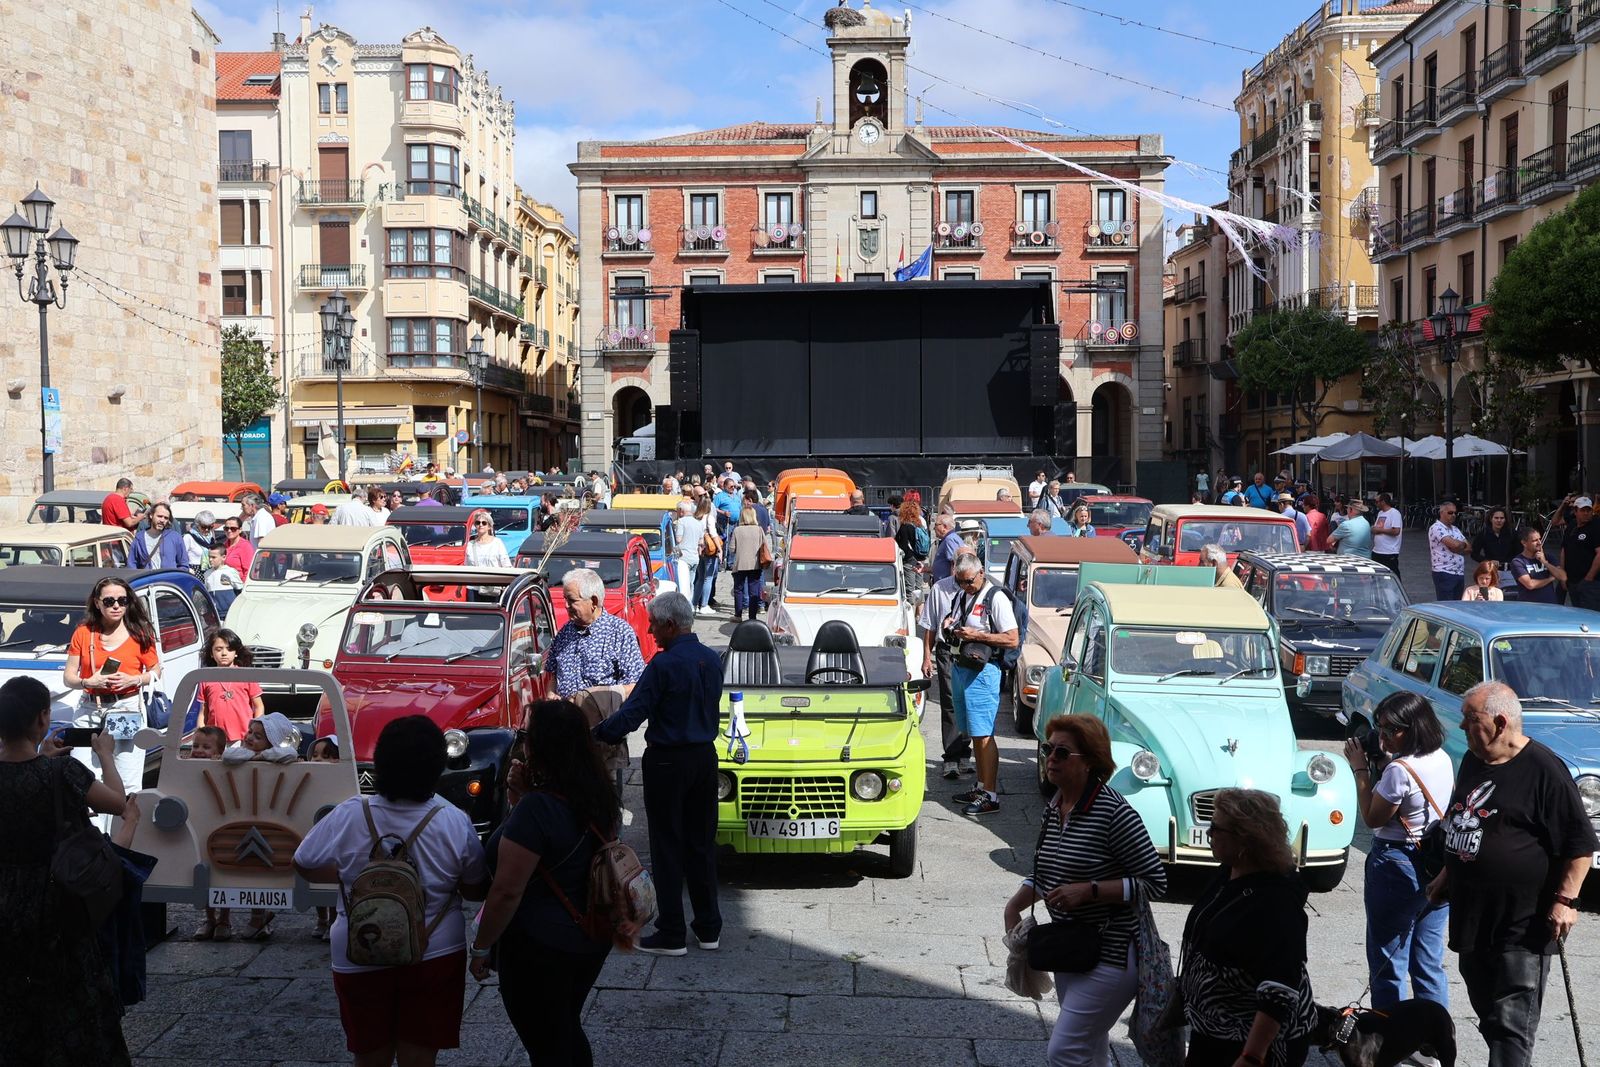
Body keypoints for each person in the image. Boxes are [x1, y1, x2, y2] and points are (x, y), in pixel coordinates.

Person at [293, 716, 490, 1067]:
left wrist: (350, 876)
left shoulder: (351, 813)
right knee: (420, 1057)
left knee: (369, 1056)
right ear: (436, 765)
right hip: (434, 950)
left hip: (358, 947)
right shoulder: (452, 819)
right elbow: (475, 889)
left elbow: (304, 862)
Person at [1427, 682, 1597, 1067]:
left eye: (1470, 720)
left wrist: (1566, 900)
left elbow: (1580, 844)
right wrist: (1447, 874)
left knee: (1510, 1027)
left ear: (1500, 722)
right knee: (1491, 1018)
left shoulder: (1545, 770)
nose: (1461, 728)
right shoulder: (1474, 760)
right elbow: (1464, 822)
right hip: (1473, 919)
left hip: (1522, 926)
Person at [1000, 715, 1165, 1067]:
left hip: (1112, 953)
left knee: (1064, 1051)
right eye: (1048, 750)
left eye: (1062, 752)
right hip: (1070, 949)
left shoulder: (1114, 813)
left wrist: (1089, 891)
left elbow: (1154, 882)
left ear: (1089, 762)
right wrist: (1018, 900)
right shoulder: (1056, 806)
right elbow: (1050, 868)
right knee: (1089, 1050)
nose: (1051, 759)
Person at [470, 700, 624, 1063]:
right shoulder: (598, 794)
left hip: (539, 947)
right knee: (564, 1030)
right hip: (587, 936)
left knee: (548, 1041)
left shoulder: (537, 809)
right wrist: (520, 799)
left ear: (540, 746)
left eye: (525, 736)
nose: (521, 743)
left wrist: (481, 947)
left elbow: (507, 890)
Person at [0, 675, 133, 1065]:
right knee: (70, 994)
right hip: (56, 900)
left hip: (4, 898)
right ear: (43, 719)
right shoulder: (62, 774)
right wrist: (105, 754)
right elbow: (118, 802)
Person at [594, 593, 722, 955]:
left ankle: (671, 931)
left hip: (668, 762)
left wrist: (597, 733)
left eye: (653, 624)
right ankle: (708, 927)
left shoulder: (662, 666)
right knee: (700, 844)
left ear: (669, 625)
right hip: (703, 758)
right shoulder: (712, 660)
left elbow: (631, 715)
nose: (649, 630)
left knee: (667, 846)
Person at [1179, 788, 1319, 1067]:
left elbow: (1280, 987)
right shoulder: (1228, 873)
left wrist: (1252, 1056)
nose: (1208, 834)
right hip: (1214, 1030)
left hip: (1253, 1043)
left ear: (1245, 838)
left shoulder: (1276, 902)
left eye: (1215, 827)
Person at [1342, 692, 1453, 1010]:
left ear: (1414, 727)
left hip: (1396, 864)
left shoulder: (1399, 771)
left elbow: (1373, 818)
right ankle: (1432, 1041)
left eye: (1392, 730)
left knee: (1387, 959)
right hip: (1434, 863)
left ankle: (1386, 1039)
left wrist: (1361, 771)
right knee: (1428, 960)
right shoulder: (1441, 758)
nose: (1383, 736)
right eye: (1380, 728)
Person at [63, 576, 160, 824]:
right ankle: (93, 835)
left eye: (122, 600)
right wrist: (88, 682)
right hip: (89, 708)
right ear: (97, 603)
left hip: (125, 707)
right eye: (109, 601)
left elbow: (156, 671)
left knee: (126, 774)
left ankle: (123, 837)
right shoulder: (84, 633)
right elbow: (68, 677)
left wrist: (134, 680)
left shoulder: (140, 632)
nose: (116, 606)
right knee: (86, 774)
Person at [943, 555, 1018, 817]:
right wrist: (950, 626)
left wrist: (977, 635)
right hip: (962, 667)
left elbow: (1012, 639)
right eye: (960, 582)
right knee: (974, 732)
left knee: (984, 733)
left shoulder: (995, 597)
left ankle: (990, 794)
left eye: (968, 581)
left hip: (983, 672)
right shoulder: (963, 595)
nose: (965, 586)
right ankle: (980, 787)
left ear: (981, 573)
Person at [920, 544, 978, 781]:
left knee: (968, 702)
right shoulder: (940, 589)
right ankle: (952, 758)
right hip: (947, 651)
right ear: (953, 565)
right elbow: (930, 626)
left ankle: (965, 753)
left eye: (969, 560)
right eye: (960, 561)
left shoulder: (983, 590)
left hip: (973, 651)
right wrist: (927, 656)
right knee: (950, 702)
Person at [545, 569, 646, 698]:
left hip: (604, 717)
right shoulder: (564, 633)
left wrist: (597, 701)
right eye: (565, 599)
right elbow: (553, 675)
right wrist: (551, 694)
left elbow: (635, 685)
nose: (566, 605)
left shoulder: (620, 633)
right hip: (566, 715)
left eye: (571, 600)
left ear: (593, 601)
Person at [197, 628, 263, 740]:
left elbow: (258, 706)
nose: (224, 653)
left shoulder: (246, 675)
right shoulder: (206, 678)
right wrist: (201, 734)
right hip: (215, 739)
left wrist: (255, 731)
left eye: (229, 649)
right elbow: (203, 712)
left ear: (236, 653)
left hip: (244, 738)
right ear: (211, 654)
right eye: (218, 649)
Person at [729, 506, 770, 623]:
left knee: (739, 589)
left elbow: (732, 549)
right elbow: (765, 545)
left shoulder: (737, 530)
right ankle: (752, 617)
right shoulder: (758, 529)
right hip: (755, 564)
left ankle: (738, 615)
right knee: (754, 590)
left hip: (740, 564)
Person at [1560, 496, 1599, 610]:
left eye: (1589, 510)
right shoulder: (1572, 525)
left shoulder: (1596, 525)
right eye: (1583, 510)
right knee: (1578, 615)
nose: (1586, 513)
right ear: (1575, 511)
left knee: (1591, 617)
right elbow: (1564, 550)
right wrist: (1562, 574)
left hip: (1591, 583)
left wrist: (1589, 578)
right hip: (1572, 581)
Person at [1509, 527, 1565, 604]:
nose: (1539, 542)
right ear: (1524, 543)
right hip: (1530, 606)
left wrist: (1545, 562)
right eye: (1535, 540)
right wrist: (1550, 579)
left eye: (1539, 539)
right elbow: (1530, 585)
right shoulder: (1518, 562)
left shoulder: (1548, 557)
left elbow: (1562, 576)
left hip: (1550, 605)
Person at [1428, 502, 1471, 601]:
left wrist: (1459, 546)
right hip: (1444, 572)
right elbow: (1454, 545)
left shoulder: (1455, 529)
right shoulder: (1436, 527)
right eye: (1450, 513)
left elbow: (1469, 548)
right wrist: (1459, 545)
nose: (1453, 515)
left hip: (1459, 573)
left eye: (1455, 513)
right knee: (1446, 605)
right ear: (1441, 513)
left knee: (1457, 603)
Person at [129, 501, 186, 570]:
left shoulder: (175, 537)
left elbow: (183, 564)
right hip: (147, 579)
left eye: (166, 518)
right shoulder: (139, 538)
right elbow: (131, 564)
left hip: (167, 580)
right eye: (159, 516)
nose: (162, 520)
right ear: (151, 515)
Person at [692, 495, 721, 615]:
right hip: (709, 550)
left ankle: (694, 604)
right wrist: (720, 549)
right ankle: (704, 604)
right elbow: (713, 534)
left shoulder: (695, 517)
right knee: (708, 578)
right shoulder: (709, 517)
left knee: (699, 578)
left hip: (699, 550)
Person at [670, 500, 703, 603]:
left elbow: (678, 539)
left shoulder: (681, 521)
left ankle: (684, 606)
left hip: (684, 557)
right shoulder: (698, 523)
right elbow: (701, 542)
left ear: (680, 510)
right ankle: (690, 605)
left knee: (683, 584)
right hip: (694, 557)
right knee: (691, 584)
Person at [1471, 507, 1519, 572]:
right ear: (1491, 519)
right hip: (1491, 570)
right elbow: (1474, 553)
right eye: (1496, 518)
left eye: (1502, 518)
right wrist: (1488, 561)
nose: (1499, 520)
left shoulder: (1512, 533)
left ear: (1505, 520)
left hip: (1510, 570)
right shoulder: (1483, 534)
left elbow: (1520, 552)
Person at [205, 544, 243, 618]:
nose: (210, 560)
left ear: (223, 557)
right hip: (214, 614)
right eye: (209, 557)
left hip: (229, 613)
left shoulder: (230, 572)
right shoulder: (207, 574)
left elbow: (240, 590)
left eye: (213, 557)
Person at [929, 511, 962, 582]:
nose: (934, 528)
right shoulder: (949, 538)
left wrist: (951, 585)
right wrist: (925, 569)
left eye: (936, 525)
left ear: (944, 527)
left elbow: (955, 563)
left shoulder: (950, 539)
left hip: (947, 587)